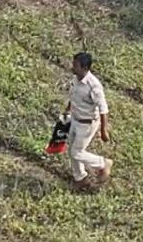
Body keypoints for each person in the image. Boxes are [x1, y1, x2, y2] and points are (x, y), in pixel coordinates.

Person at [61, 51, 111, 190]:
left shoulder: (94, 86)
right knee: (71, 149)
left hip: (87, 124)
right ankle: (80, 178)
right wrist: (68, 109)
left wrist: (103, 130)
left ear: (85, 68)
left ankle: (103, 163)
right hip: (76, 119)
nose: (73, 67)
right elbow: (74, 96)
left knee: (77, 152)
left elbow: (103, 109)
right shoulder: (76, 79)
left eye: (76, 66)